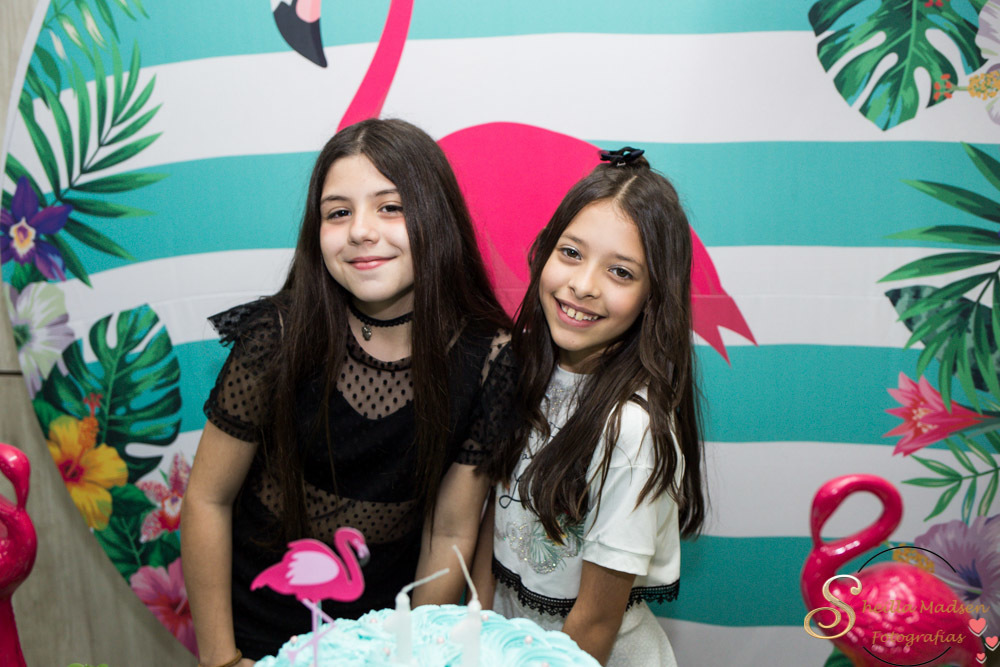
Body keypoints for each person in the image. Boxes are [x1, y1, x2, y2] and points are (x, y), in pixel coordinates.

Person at [180, 118, 512, 667]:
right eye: (338, 213)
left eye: (390, 207)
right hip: (258, 637)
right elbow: (207, 499)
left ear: (437, 215)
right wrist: (221, 659)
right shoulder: (277, 336)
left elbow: (450, 530)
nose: (360, 231)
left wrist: (409, 657)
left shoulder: (488, 359)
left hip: (385, 640)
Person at [473, 147, 707, 666]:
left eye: (620, 272)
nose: (582, 285)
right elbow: (493, 523)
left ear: (654, 295)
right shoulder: (520, 370)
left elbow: (596, 623)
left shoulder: (632, 428)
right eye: (571, 253)